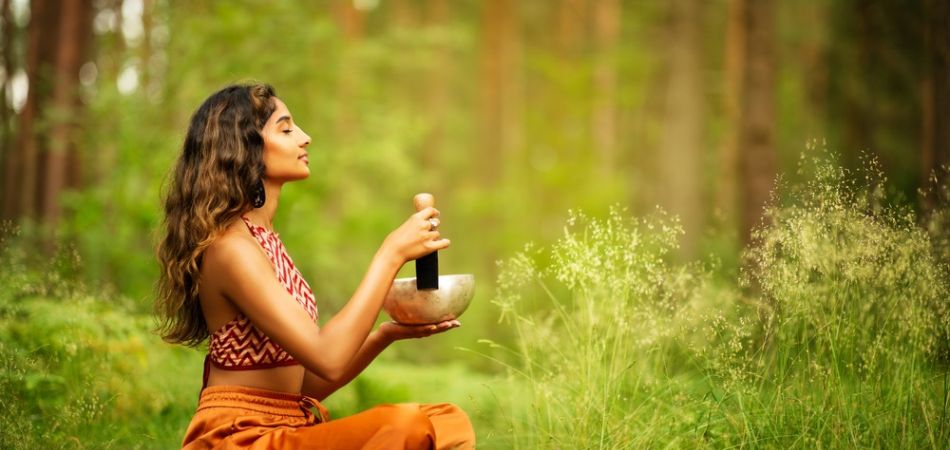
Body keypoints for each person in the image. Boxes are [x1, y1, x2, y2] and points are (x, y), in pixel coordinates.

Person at [155, 83, 475, 449]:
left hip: (289, 424)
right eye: (287, 128)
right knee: (405, 425)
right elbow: (328, 357)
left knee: (446, 421)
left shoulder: (262, 238)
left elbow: (303, 385)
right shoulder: (232, 248)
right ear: (244, 147)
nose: (305, 138)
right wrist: (391, 253)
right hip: (241, 437)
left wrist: (386, 335)